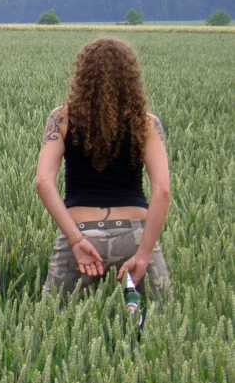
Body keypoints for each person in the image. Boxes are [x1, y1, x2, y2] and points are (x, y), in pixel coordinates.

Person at [35, 37, 171, 298]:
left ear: (83, 74)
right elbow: (162, 190)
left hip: (82, 231)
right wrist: (143, 254)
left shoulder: (61, 118)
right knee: (157, 326)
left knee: (56, 322)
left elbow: (43, 181)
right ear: (130, 76)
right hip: (135, 234)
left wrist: (75, 240)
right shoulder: (147, 124)